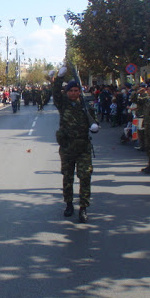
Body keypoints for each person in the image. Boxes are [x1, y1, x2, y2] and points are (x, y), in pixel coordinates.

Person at [52, 68, 98, 223]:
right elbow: (56, 93)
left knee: (85, 176)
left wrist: (95, 126)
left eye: (76, 90)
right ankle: (69, 204)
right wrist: (59, 77)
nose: (73, 93)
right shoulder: (63, 104)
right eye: (70, 90)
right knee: (68, 177)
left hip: (83, 146)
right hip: (67, 147)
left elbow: (94, 122)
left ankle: (83, 207)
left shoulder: (86, 106)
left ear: (80, 91)